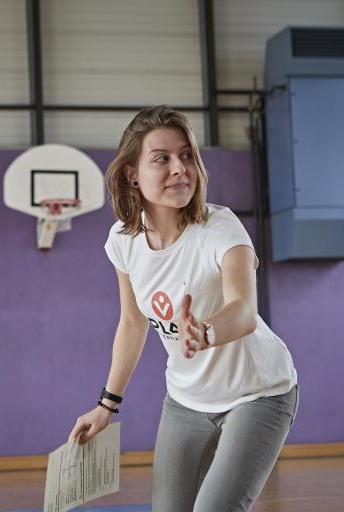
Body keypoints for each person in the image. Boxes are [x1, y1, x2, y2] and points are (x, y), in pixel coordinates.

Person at [68, 105, 298, 511]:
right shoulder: (123, 240)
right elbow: (132, 322)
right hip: (186, 401)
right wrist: (106, 406)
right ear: (132, 174)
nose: (180, 168)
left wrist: (205, 332)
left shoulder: (221, 229)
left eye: (187, 155)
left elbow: (243, 310)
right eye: (162, 158)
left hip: (258, 393)